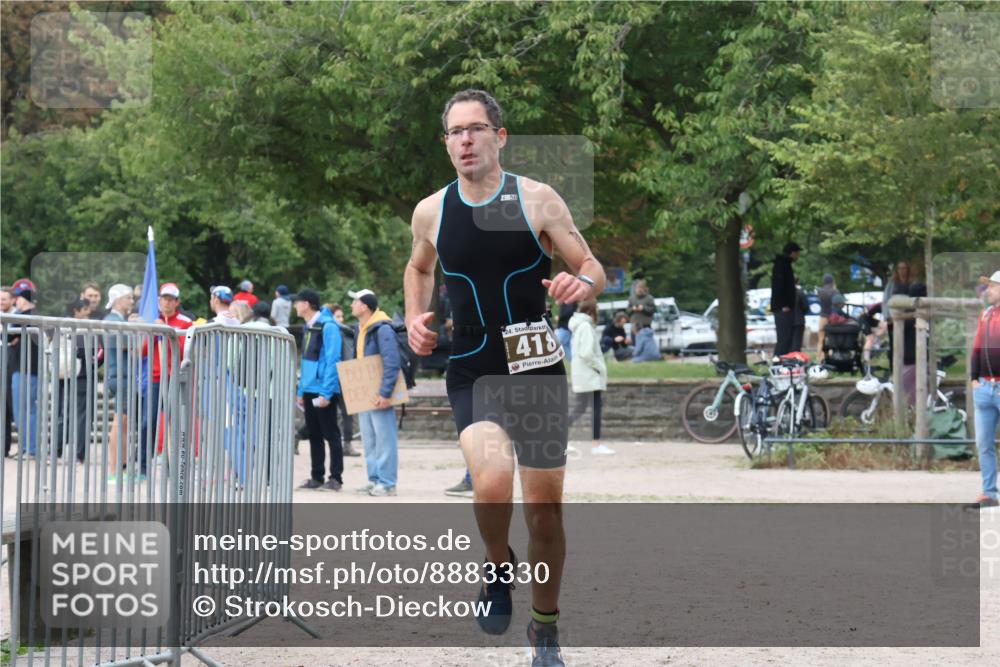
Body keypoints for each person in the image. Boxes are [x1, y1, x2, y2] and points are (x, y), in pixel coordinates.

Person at [404, 89, 605, 666]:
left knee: (545, 510)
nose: (464, 140)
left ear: (500, 136)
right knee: (491, 480)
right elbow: (418, 267)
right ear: (446, 143)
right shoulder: (432, 210)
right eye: (454, 132)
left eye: (475, 129)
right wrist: (417, 318)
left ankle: (544, 629)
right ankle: (497, 566)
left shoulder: (537, 200)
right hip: (472, 364)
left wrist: (581, 285)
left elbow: (590, 266)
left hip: (535, 360)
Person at [350, 289, 402, 496]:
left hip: (379, 392)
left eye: (355, 302)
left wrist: (385, 393)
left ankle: (388, 482)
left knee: (384, 439)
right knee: (370, 439)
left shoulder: (382, 329)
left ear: (364, 306)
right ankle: (374, 479)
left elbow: (392, 361)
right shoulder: (361, 328)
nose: (352, 305)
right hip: (365, 391)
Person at [140, 282, 193, 478]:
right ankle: (144, 466)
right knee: (148, 421)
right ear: (159, 300)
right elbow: (142, 351)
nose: (167, 303)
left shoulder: (185, 323)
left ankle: (174, 468)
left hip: (175, 378)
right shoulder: (152, 321)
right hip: (155, 378)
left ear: (177, 302)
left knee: (175, 423)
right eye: (164, 299)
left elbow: (184, 350)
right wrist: (154, 333)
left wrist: (166, 333)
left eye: (171, 299)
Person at [294, 288, 344, 491]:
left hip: (323, 389)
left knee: (330, 433)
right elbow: (306, 361)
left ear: (306, 304)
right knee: (314, 433)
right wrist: (301, 391)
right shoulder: (310, 326)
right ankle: (316, 476)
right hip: (309, 388)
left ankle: (336, 478)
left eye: (298, 302)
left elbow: (333, 360)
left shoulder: (328, 326)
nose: (295, 306)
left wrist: (326, 392)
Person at [969, 270, 1000, 510]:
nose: (988, 290)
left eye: (993, 286)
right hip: (984, 387)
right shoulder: (986, 315)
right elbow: (977, 348)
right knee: (984, 444)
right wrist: (973, 379)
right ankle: (989, 493)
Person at [567, 299, 614, 455]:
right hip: (590, 375)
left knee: (580, 408)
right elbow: (587, 353)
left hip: (583, 375)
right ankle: (596, 444)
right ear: (592, 311)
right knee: (595, 409)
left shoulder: (579, 326)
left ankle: (558, 436)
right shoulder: (586, 327)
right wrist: (599, 368)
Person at [103, 284, 134, 480]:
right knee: (120, 421)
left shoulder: (118, 319)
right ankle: (115, 469)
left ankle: (120, 468)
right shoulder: (112, 320)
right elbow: (123, 346)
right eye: (128, 298)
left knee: (123, 421)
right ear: (117, 300)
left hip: (122, 374)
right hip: (119, 375)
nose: (132, 301)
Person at [9, 279, 41, 457]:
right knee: (24, 410)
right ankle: (27, 447)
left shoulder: (27, 316)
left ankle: (30, 448)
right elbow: (9, 337)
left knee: (26, 410)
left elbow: (9, 334)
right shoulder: (27, 316)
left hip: (27, 369)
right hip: (25, 368)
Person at [325, 303, 360, 457]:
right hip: (330, 378)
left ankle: (347, 444)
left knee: (347, 412)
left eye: (341, 316)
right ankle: (299, 434)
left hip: (345, 376)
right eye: (337, 316)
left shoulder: (347, 332)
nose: (341, 319)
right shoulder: (328, 331)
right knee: (322, 412)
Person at [771, 242, 801, 355]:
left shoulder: (785, 265)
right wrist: (784, 305)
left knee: (787, 338)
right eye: (797, 253)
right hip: (783, 308)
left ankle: (784, 361)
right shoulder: (782, 265)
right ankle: (778, 362)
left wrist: (791, 282)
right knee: (784, 338)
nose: (798, 256)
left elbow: (784, 284)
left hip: (785, 306)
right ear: (792, 253)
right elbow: (779, 285)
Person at [1, 286, 15, 457]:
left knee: (8, 408)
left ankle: (5, 447)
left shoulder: (16, 317)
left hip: (11, 369)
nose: (1, 301)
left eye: (4, 298)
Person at [816, 273, 839, 358]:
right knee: (831, 338)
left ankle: (819, 357)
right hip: (832, 318)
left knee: (821, 338)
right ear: (832, 281)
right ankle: (831, 356)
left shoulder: (820, 291)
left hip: (822, 316)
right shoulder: (835, 291)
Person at [791, 278, 807, 353]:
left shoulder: (784, 293)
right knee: (797, 341)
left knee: (789, 341)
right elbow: (806, 306)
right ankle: (795, 357)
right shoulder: (800, 293)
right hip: (799, 319)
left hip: (787, 321)